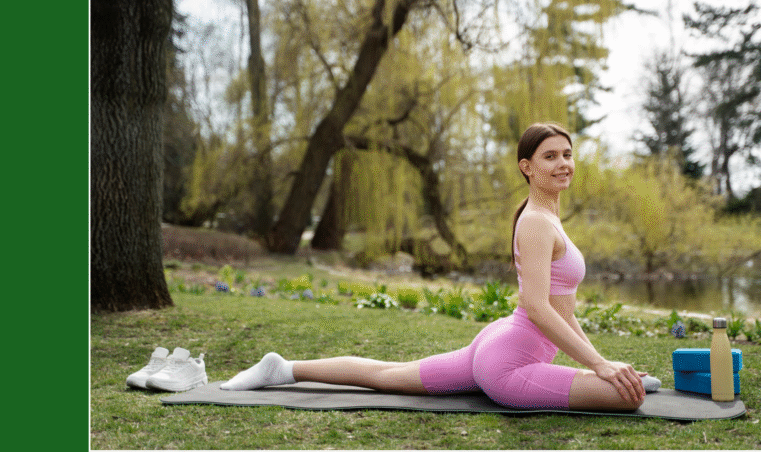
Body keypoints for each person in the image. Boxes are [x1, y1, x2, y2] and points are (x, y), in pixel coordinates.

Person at [221, 122, 657, 410]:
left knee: (388, 375)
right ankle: (284, 369)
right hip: (509, 364)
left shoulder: (545, 217)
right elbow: (539, 308)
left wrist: (602, 362)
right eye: (550, 156)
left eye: (567, 154)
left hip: (501, 342)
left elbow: (562, 311)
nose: (563, 164)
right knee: (629, 399)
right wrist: (599, 367)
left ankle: (284, 368)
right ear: (526, 167)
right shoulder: (537, 223)